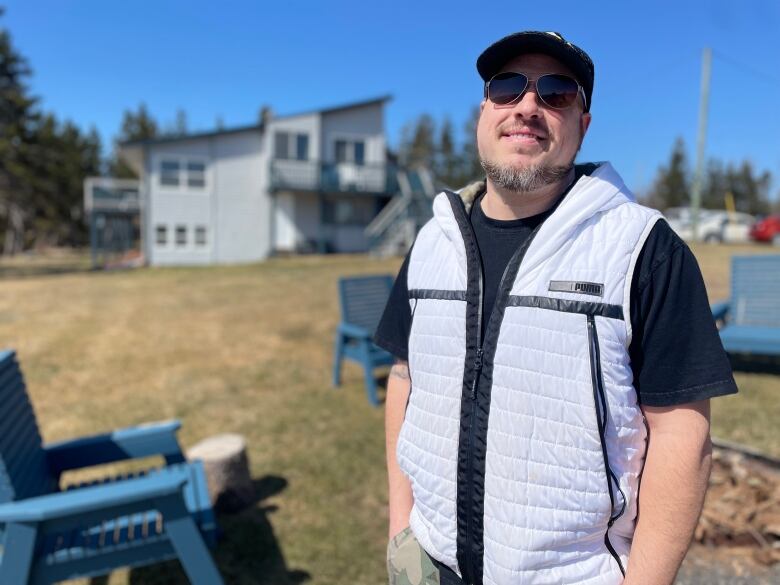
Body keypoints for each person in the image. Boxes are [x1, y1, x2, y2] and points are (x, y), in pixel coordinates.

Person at [376, 31, 737, 585]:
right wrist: (402, 527)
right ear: (483, 112)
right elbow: (403, 376)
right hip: (429, 561)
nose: (528, 106)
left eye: (556, 92)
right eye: (507, 87)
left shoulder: (644, 248)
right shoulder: (432, 240)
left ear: (583, 124)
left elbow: (683, 437)